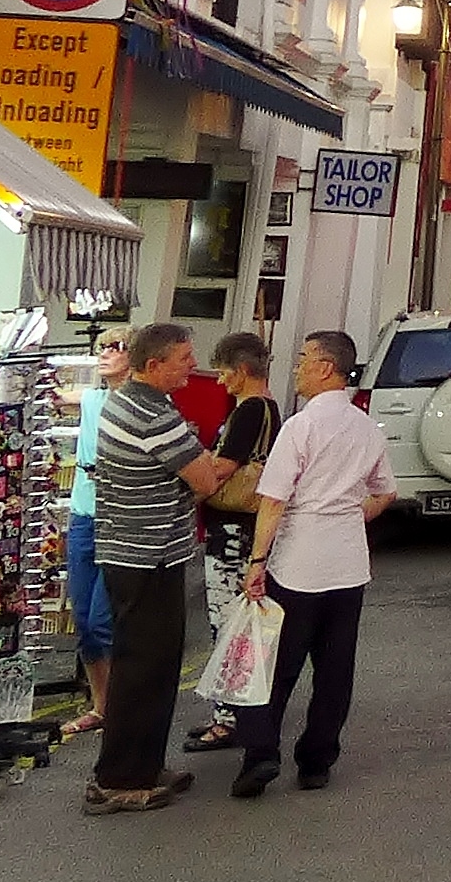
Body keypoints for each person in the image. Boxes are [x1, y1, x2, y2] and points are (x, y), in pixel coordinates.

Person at [233, 332, 395, 796]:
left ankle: (261, 753)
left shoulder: (301, 427)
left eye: (304, 359)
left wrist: (257, 561)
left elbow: (273, 501)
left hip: (298, 561)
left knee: (276, 665)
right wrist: (347, 515)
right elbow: (385, 493)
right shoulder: (366, 426)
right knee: (334, 668)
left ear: (326, 368)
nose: (297, 368)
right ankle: (317, 760)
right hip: (347, 564)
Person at [85, 322, 236, 814]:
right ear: (154, 365)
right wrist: (207, 469)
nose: (193, 366)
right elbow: (205, 478)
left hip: (145, 551)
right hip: (144, 556)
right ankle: (120, 779)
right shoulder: (151, 414)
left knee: (156, 664)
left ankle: (144, 765)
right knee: (142, 668)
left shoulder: (140, 402)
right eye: (184, 358)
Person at [185, 333, 283, 755]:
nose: (221, 381)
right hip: (240, 528)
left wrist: (193, 488)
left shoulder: (249, 412)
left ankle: (230, 719)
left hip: (232, 532)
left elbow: (223, 468)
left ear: (242, 372)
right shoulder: (268, 409)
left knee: (227, 622)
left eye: (224, 372)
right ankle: (234, 712)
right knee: (236, 623)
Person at [57, 328, 129, 740]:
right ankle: (101, 705)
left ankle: (122, 706)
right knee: (83, 619)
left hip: (117, 519)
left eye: (114, 348)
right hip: (84, 515)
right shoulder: (93, 399)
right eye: (100, 347)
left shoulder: (140, 405)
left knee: (105, 619)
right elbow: (58, 396)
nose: (104, 355)